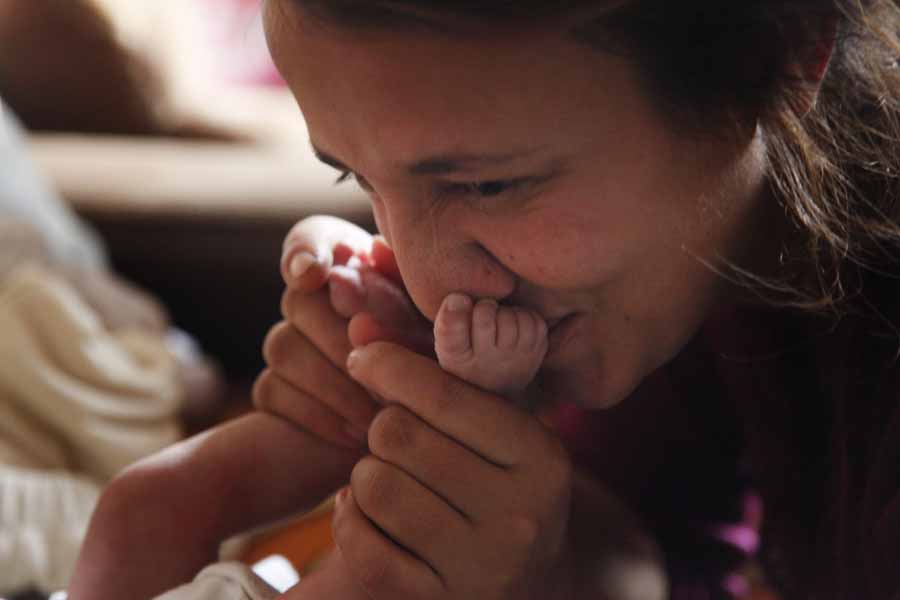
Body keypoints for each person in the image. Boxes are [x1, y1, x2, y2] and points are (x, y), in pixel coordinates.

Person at [70, 0, 900, 598]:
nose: (428, 288)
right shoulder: (691, 261)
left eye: (489, 186)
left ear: (784, 55)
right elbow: (658, 555)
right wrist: (497, 518)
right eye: (357, 178)